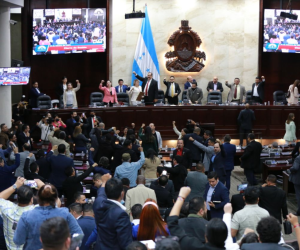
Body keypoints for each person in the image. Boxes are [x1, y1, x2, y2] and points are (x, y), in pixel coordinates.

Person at [13, 183, 83, 250]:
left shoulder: (26, 216)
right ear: (56, 198)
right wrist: (69, 247)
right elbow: (79, 234)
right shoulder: (65, 213)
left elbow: (18, 241)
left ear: (38, 198)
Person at [93, 174, 133, 249]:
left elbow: (101, 195)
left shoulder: (98, 204)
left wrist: (104, 182)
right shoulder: (121, 214)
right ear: (122, 193)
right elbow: (126, 243)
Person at [0, 177, 35, 250]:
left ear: (17, 198)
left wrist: (15, 185)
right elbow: (56, 203)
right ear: (31, 199)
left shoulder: (7, 209)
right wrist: (43, 187)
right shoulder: (37, 212)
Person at [289, 148, 300, 215]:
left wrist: (290, 169)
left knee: (299, 196)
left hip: (298, 179)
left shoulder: (298, 158)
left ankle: (299, 212)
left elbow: (295, 168)